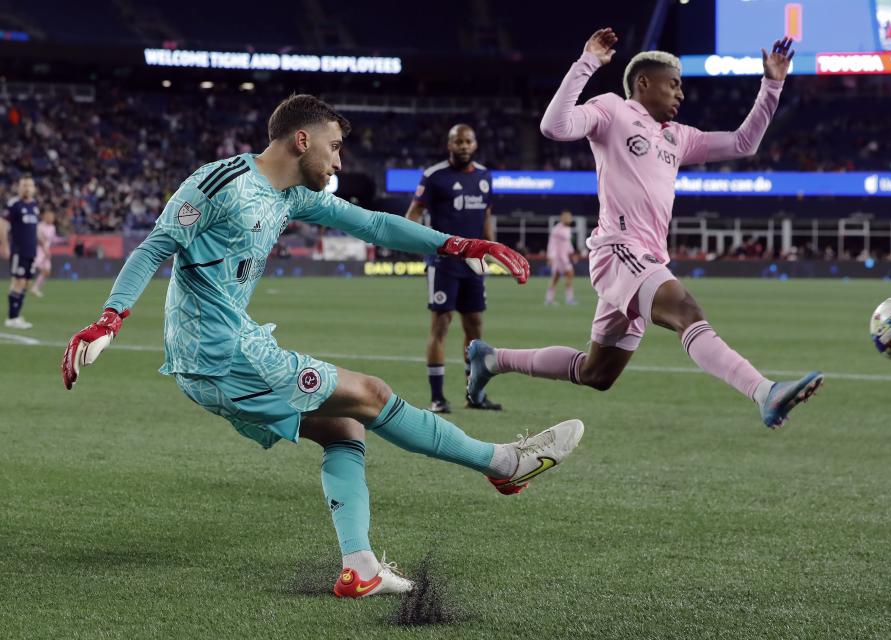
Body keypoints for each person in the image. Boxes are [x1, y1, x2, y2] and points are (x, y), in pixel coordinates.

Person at [60, 95, 584, 598]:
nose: (339, 158)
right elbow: (155, 246)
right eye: (334, 146)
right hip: (221, 354)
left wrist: (459, 243)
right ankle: (504, 465)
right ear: (302, 140)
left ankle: (360, 569)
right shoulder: (221, 181)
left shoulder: (294, 194)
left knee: (344, 428)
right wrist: (110, 319)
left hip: (224, 355)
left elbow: (374, 224)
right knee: (373, 395)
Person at [467, 29, 822, 429]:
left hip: (643, 259)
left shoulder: (677, 137)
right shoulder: (612, 110)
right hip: (618, 249)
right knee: (687, 311)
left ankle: (492, 359)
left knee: (596, 374)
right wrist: (586, 63)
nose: (681, 95)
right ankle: (765, 392)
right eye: (674, 85)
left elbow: (743, 144)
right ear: (643, 83)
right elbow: (554, 126)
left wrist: (772, 85)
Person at [405, 124, 501, 413]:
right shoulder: (434, 176)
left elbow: (486, 216)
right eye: (458, 141)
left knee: (475, 327)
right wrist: (425, 249)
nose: (463, 145)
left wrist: (490, 249)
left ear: (475, 144)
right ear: (449, 145)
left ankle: (475, 395)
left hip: (473, 264)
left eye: (468, 141)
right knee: (441, 325)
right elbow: (412, 215)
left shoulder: (485, 176)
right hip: (444, 263)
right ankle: (437, 398)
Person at [1, 175, 40, 329]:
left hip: (31, 250)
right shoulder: (14, 204)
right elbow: (3, 225)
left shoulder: (34, 206)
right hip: (19, 250)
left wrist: (43, 245)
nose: (26, 188)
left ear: (33, 188)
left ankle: (16, 315)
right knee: (17, 281)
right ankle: (12, 317)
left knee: (24, 283)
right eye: (24, 185)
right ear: (19, 187)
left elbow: (34, 229)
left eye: (29, 185)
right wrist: (4, 245)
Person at [545, 210, 577, 305]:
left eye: (570, 217)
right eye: (567, 217)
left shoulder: (567, 229)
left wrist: (572, 253)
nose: (569, 219)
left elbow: (567, 244)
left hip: (564, 258)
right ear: (563, 218)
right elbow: (552, 244)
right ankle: (569, 299)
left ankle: (549, 299)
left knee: (556, 278)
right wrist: (551, 257)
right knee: (569, 275)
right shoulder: (557, 229)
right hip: (559, 259)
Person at [31, 210, 58, 297]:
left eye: (52, 217)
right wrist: (45, 250)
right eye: (50, 217)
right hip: (39, 250)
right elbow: (39, 240)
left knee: (47, 271)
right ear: (45, 217)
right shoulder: (40, 226)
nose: (52, 219)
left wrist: (63, 239)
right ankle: (22, 283)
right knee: (34, 267)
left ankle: (35, 288)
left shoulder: (52, 227)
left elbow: (53, 239)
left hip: (46, 251)